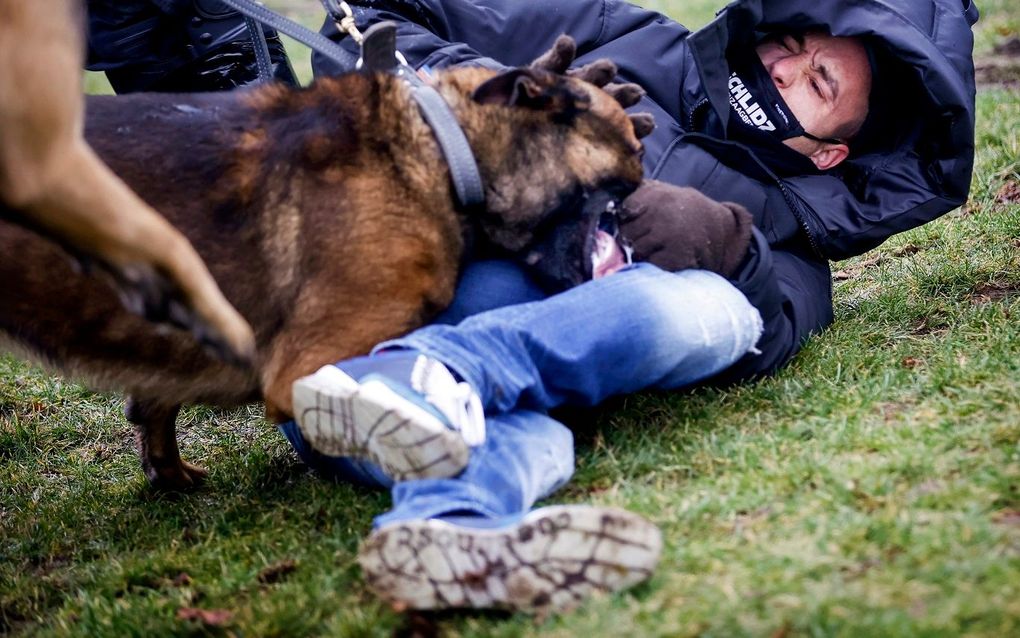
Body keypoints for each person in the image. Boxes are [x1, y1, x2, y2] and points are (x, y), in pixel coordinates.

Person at [273, 0, 979, 614]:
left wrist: (725, 245)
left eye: (817, 83)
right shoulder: (622, 33)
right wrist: (507, 109)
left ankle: (448, 521)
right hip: (355, 306)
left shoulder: (795, 247)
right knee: (697, 320)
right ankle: (434, 377)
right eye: (788, 47)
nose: (784, 73)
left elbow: (772, 331)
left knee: (698, 327)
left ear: (831, 155)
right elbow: (378, 17)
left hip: (348, 408)